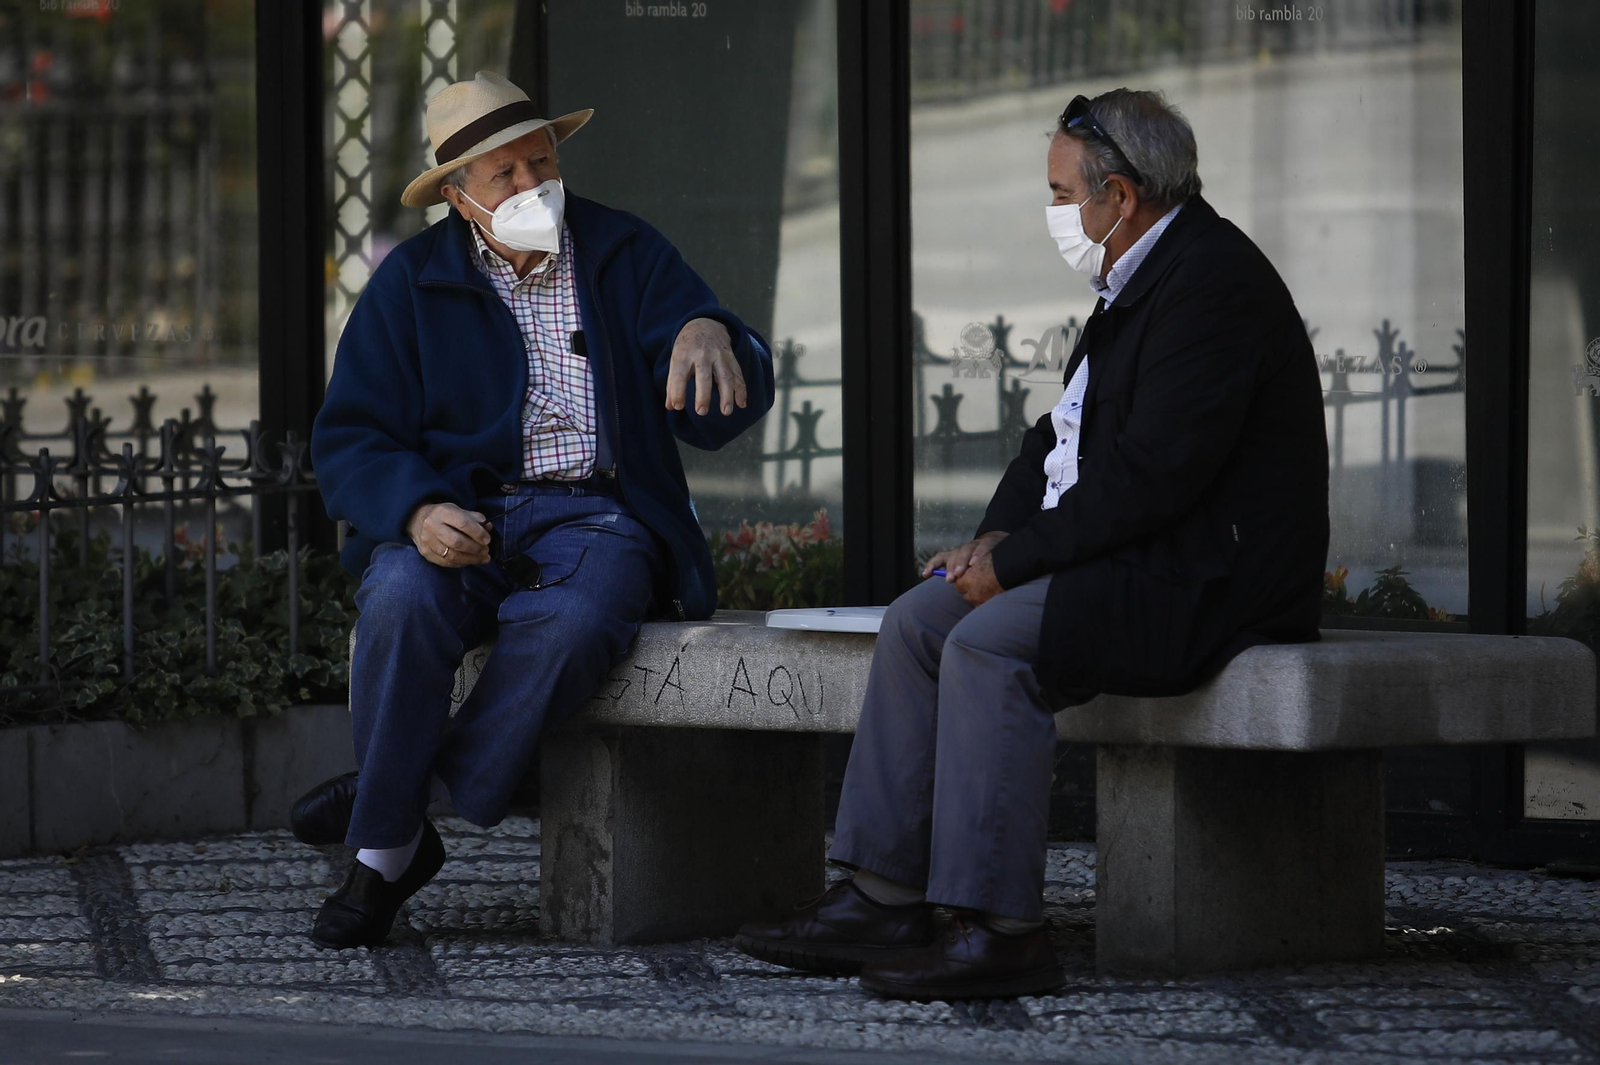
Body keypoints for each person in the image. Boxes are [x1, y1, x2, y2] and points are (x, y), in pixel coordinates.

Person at [737, 88, 1329, 1000]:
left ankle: (999, 928)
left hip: (1207, 576)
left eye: (1062, 193)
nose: (1054, 212)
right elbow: (1061, 436)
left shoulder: (1213, 285)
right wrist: (991, 538)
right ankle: (883, 895)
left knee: (986, 642)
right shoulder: (1136, 280)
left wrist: (1014, 565)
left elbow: (1154, 477)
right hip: (1130, 554)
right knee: (917, 620)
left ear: (1120, 197)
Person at [300, 70, 774, 948]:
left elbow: (727, 395)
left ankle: (386, 832)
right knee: (399, 599)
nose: (532, 185)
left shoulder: (624, 251)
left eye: (540, 162)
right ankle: (400, 822)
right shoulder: (408, 285)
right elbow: (352, 435)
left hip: (597, 514)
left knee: (579, 615)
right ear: (457, 195)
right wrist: (412, 512)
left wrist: (712, 329)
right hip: (458, 513)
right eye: (505, 175)